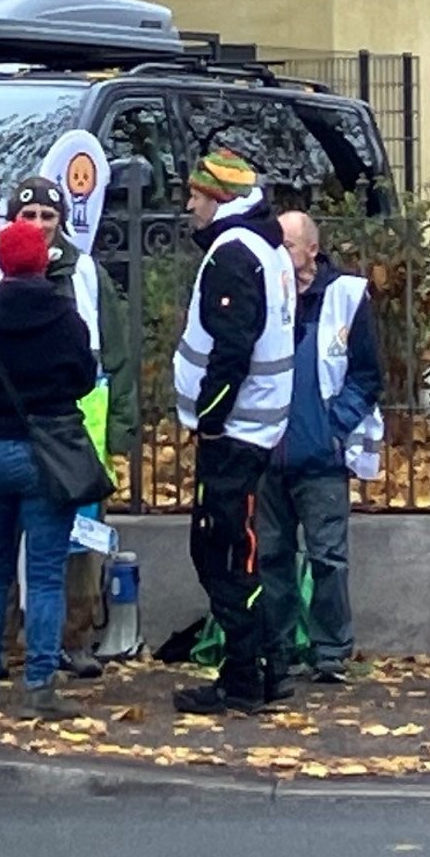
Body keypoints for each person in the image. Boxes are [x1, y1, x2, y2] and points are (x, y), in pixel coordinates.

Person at [0, 176, 137, 680]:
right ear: (12, 220)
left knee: (76, 552)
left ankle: (69, 641)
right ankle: (17, 657)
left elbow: (116, 355)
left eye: (47, 217)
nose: (38, 226)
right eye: (28, 217)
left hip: (72, 439)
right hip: (47, 431)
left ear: (60, 222)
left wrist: (118, 433)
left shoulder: (86, 274)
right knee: (11, 564)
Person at [0, 218, 97, 721]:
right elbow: (83, 378)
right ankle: (40, 687)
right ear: (43, 260)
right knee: (46, 574)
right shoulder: (66, 319)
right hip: (45, 454)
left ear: (2, 264)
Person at [171, 150, 296, 715]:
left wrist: (212, 419)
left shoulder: (233, 253)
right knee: (236, 547)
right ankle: (266, 667)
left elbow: (232, 348)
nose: (188, 206)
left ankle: (244, 675)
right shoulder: (264, 246)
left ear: (219, 197)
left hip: (236, 431)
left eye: (195, 195)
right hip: (258, 426)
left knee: (221, 552)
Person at [258, 210, 382, 690]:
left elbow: (367, 373)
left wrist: (336, 428)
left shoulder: (346, 297)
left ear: (312, 248)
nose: (280, 254)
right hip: (268, 449)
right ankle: (279, 648)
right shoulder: (265, 294)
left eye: (288, 245)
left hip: (322, 457)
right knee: (272, 555)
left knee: (327, 556)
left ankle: (330, 652)